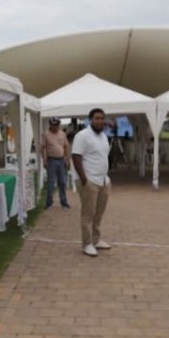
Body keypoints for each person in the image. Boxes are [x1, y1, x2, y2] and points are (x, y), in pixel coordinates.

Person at [72, 107, 112, 257]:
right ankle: (87, 244)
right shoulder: (82, 136)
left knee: (99, 213)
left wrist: (106, 178)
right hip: (89, 180)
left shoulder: (103, 136)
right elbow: (76, 157)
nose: (99, 121)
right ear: (90, 120)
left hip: (103, 180)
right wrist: (84, 179)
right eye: (96, 118)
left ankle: (96, 240)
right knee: (88, 214)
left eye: (102, 118)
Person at [42, 118, 71, 209]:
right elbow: (43, 148)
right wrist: (44, 160)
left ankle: (64, 202)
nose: (56, 127)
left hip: (61, 160)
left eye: (57, 125)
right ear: (50, 125)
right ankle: (49, 203)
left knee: (62, 182)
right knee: (51, 183)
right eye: (54, 125)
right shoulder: (46, 134)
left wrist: (67, 159)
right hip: (51, 160)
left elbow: (66, 147)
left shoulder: (62, 134)